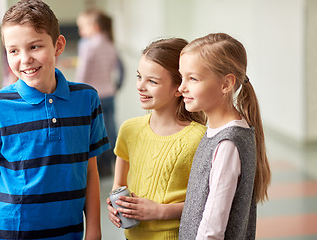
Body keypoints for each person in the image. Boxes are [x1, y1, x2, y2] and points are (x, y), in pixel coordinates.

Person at [0, 1, 108, 239]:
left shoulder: (87, 99)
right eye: (13, 50)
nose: (25, 59)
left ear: (58, 45)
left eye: (34, 46)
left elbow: (90, 169)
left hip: (69, 233)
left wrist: (94, 230)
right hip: (11, 233)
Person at [106, 38, 207, 240]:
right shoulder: (129, 130)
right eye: (139, 77)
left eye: (152, 81)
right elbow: (118, 184)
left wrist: (159, 211)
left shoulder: (198, 137)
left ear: (179, 88)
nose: (140, 86)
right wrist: (114, 205)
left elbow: (206, 203)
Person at [178, 33, 271, 240]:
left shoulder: (228, 143)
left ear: (226, 84)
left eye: (192, 78)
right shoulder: (217, 131)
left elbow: (212, 229)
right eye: (181, 77)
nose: (181, 87)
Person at [76, 8, 122, 177]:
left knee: (97, 133)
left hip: (94, 96)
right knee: (111, 128)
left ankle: (102, 168)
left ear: (94, 27)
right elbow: (118, 68)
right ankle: (115, 164)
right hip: (109, 93)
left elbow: (83, 73)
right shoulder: (110, 43)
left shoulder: (87, 46)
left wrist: (76, 91)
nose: (81, 31)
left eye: (83, 27)